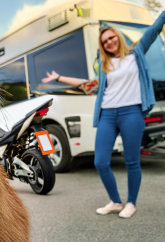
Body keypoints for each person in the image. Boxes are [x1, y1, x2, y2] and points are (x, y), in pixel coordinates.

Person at [42, 11, 165, 219]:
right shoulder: (106, 67)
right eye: (104, 41)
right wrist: (59, 77)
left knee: (132, 162)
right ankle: (116, 201)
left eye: (111, 37)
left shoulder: (137, 53)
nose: (109, 42)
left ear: (117, 36)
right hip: (107, 114)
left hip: (131, 113)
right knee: (100, 161)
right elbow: (88, 86)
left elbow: (153, 30)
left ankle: (131, 203)